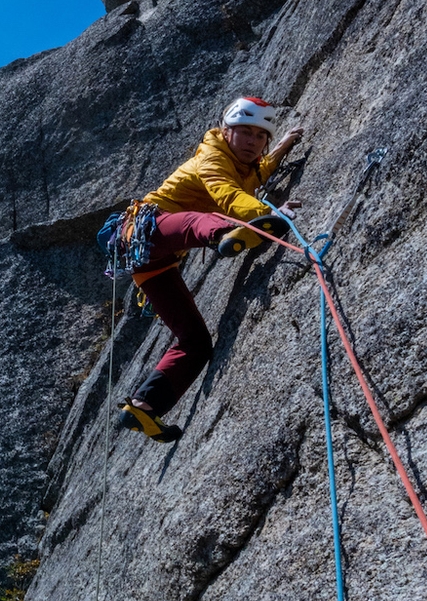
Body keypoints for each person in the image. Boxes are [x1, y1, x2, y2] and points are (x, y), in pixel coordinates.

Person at [116, 97, 304, 442]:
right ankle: (229, 234)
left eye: (260, 137)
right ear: (225, 131)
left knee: (196, 341)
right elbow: (227, 193)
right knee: (203, 220)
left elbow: (259, 171)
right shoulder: (211, 156)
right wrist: (268, 218)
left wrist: (282, 145)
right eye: (244, 132)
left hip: (154, 262)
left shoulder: (245, 166)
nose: (252, 141)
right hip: (148, 227)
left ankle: (144, 406)